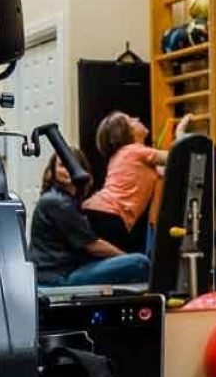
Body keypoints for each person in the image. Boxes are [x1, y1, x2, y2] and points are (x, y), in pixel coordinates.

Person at [29, 150, 151, 288]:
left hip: (64, 273)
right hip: (59, 278)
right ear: (53, 171)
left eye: (73, 164)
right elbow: (93, 246)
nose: (69, 168)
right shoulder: (57, 202)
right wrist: (124, 258)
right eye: (63, 165)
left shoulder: (64, 200)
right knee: (140, 262)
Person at [84, 111, 187, 250]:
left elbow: (167, 170)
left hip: (98, 212)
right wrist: (180, 132)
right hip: (108, 216)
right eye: (131, 120)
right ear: (126, 132)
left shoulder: (126, 157)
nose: (137, 118)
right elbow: (178, 156)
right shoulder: (135, 151)